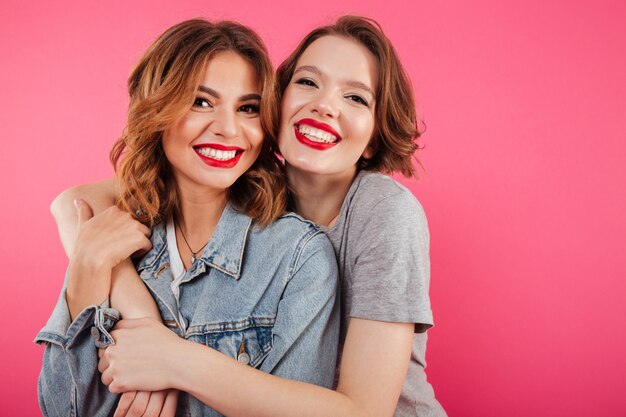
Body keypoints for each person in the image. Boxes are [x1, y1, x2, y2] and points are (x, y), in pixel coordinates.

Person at [51, 15, 447, 417]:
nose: (324, 105)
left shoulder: (382, 213)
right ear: (278, 105)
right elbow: (76, 203)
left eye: (356, 97)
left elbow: (364, 411)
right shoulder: (242, 182)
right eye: (308, 82)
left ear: (374, 138)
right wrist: (127, 297)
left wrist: (174, 358)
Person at [35, 18, 340, 417]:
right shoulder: (111, 241)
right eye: (201, 102)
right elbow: (64, 409)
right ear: (157, 109)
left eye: (247, 108)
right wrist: (86, 274)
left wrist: (172, 362)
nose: (229, 129)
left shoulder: (297, 258)